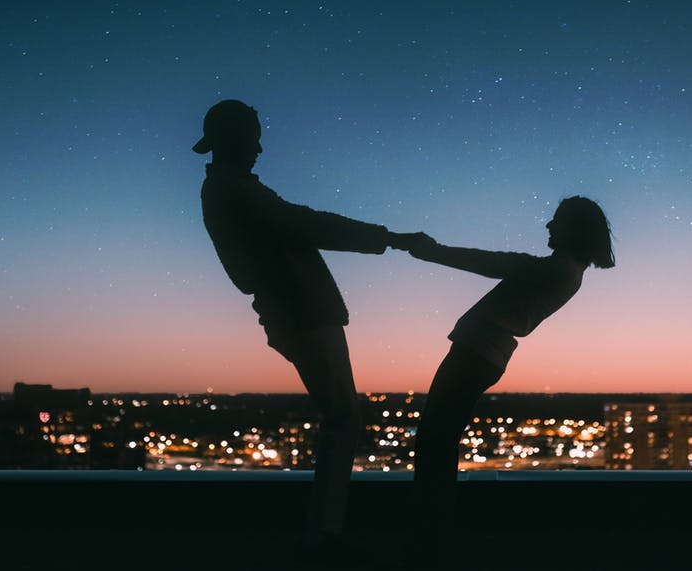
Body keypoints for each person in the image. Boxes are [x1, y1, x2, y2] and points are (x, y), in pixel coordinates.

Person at [192, 99, 423, 563]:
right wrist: (389, 238)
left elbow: (296, 226)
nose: (260, 146)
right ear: (234, 138)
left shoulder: (233, 191)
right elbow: (306, 224)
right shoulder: (234, 193)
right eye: (254, 135)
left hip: (297, 311)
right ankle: (322, 538)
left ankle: (323, 534)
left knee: (342, 416)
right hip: (301, 312)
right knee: (343, 417)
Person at [406, 196, 615, 546]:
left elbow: (494, 263)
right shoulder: (565, 270)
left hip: (476, 353)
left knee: (435, 442)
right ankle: (431, 533)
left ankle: (430, 536)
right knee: (437, 441)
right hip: (484, 353)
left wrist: (433, 251)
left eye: (557, 220)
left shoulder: (560, 269)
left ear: (576, 229)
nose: (548, 225)